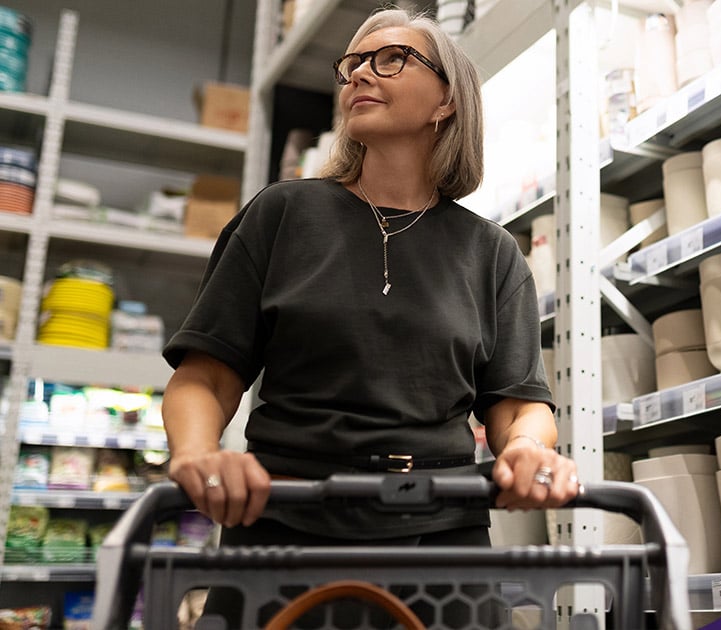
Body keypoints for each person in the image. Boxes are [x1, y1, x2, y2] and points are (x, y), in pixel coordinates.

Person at [161, 7, 577, 623]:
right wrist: (195, 453)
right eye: (351, 63)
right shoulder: (280, 215)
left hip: (442, 539)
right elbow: (207, 375)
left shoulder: (492, 253)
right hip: (284, 525)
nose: (359, 74)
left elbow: (519, 403)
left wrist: (528, 449)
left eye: (389, 59)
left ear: (446, 101)